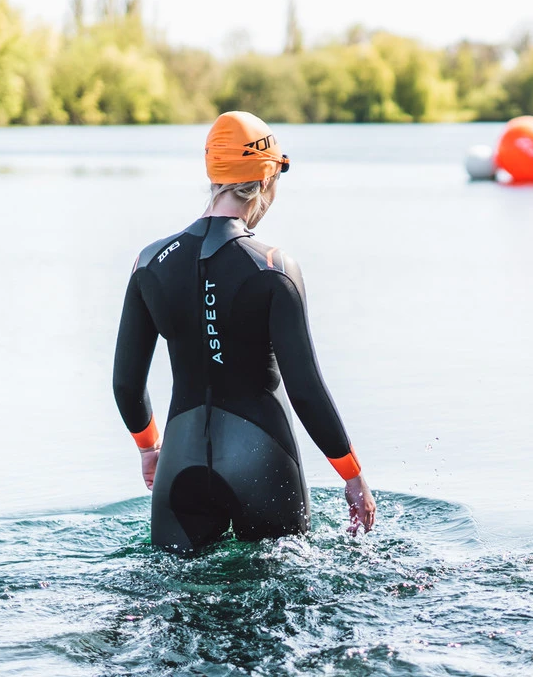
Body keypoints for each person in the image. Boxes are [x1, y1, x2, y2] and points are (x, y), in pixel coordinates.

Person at [112, 111, 376, 553]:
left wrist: (149, 449)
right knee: (278, 603)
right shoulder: (273, 266)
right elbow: (306, 391)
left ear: (213, 174)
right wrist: (353, 476)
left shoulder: (149, 262)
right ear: (267, 180)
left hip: (180, 464)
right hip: (262, 460)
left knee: (178, 610)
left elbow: (125, 383)